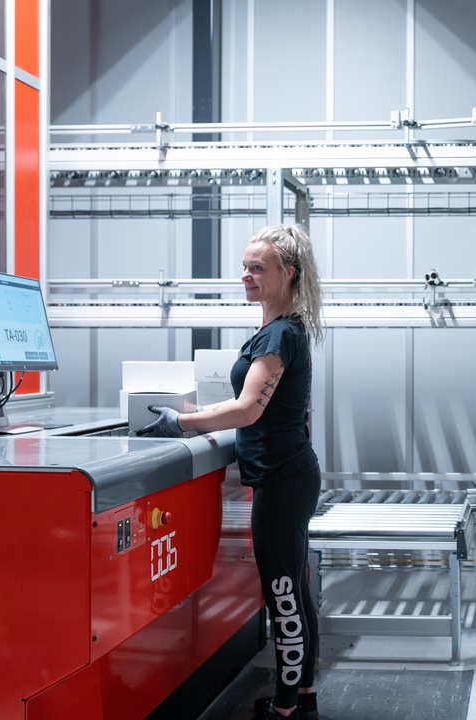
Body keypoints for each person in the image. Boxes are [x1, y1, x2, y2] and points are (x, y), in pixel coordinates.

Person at [138, 224, 325, 720]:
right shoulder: (279, 329)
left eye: (257, 267)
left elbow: (247, 411)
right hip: (289, 475)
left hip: (284, 480)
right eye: (244, 265)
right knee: (294, 587)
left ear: (287, 274)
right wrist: (194, 410)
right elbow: (247, 401)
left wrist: (180, 423)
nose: (246, 274)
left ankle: (284, 707)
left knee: (281, 590)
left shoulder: (281, 332)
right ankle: (301, 693)